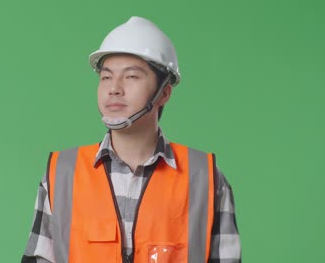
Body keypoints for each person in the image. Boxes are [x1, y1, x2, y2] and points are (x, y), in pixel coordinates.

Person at [21, 16, 241, 263]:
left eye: (131, 77)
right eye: (106, 77)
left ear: (164, 92)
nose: (114, 88)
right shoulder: (62, 172)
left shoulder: (205, 177)